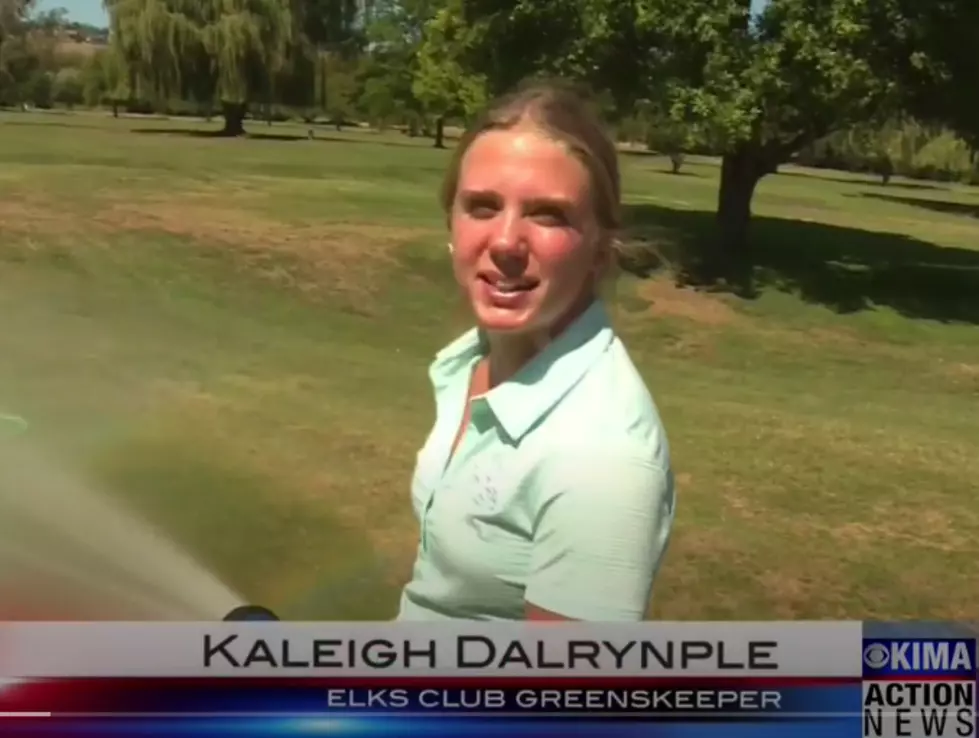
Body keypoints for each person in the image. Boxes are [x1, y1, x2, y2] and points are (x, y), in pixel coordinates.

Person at [396, 81, 675, 622]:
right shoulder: (472, 363)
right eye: (481, 206)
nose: (505, 243)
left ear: (599, 246)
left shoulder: (602, 458)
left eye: (548, 214)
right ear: (450, 223)